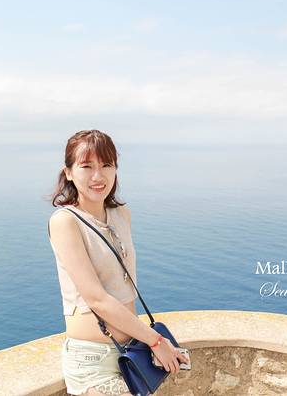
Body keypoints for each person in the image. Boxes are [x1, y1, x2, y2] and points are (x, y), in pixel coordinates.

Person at [47, 129, 188, 396]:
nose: (98, 176)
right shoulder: (65, 222)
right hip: (92, 361)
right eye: (86, 166)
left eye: (106, 165)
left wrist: (147, 341)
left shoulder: (122, 214)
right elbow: (96, 299)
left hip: (132, 353)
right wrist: (156, 341)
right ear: (68, 172)